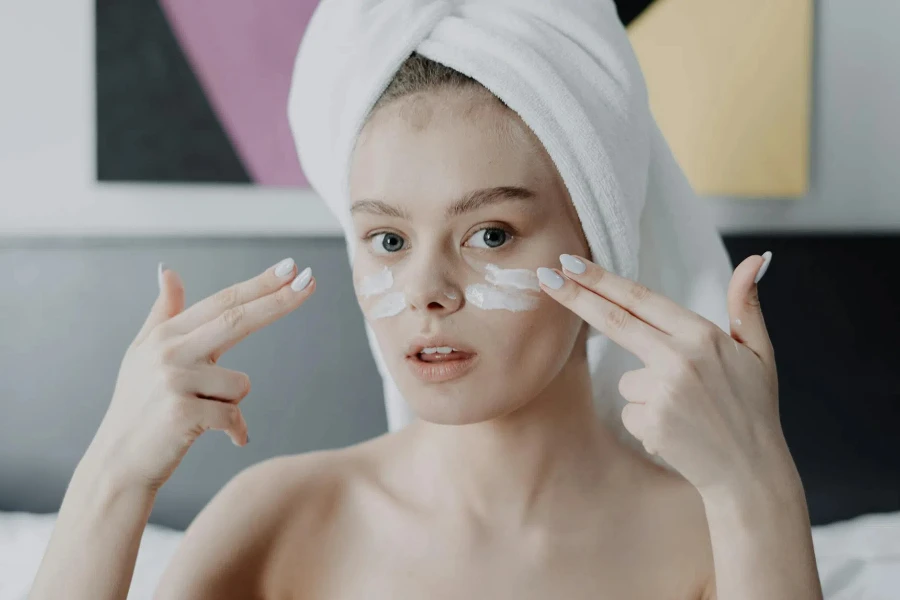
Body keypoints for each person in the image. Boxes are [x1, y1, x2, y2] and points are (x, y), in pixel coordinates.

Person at [29, 2, 824, 599]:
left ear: (603, 239)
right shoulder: (278, 519)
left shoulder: (717, 536)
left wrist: (759, 487)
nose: (426, 294)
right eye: (388, 241)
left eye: (490, 235)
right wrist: (113, 478)